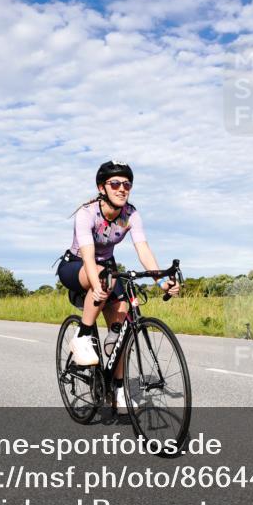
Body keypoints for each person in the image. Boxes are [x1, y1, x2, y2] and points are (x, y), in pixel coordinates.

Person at [56, 160, 179, 414]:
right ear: (102, 187)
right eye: (115, 184)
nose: (122, 188)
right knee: (102, 276)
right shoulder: (87, 213)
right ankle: (82, 336)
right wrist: (98, 283)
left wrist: (161, 280)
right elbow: (89, 257)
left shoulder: (130, 215)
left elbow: (143, 249)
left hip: (107, 267)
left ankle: (118, 390)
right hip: (76, 265)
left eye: (127, 184)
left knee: (121, 327)